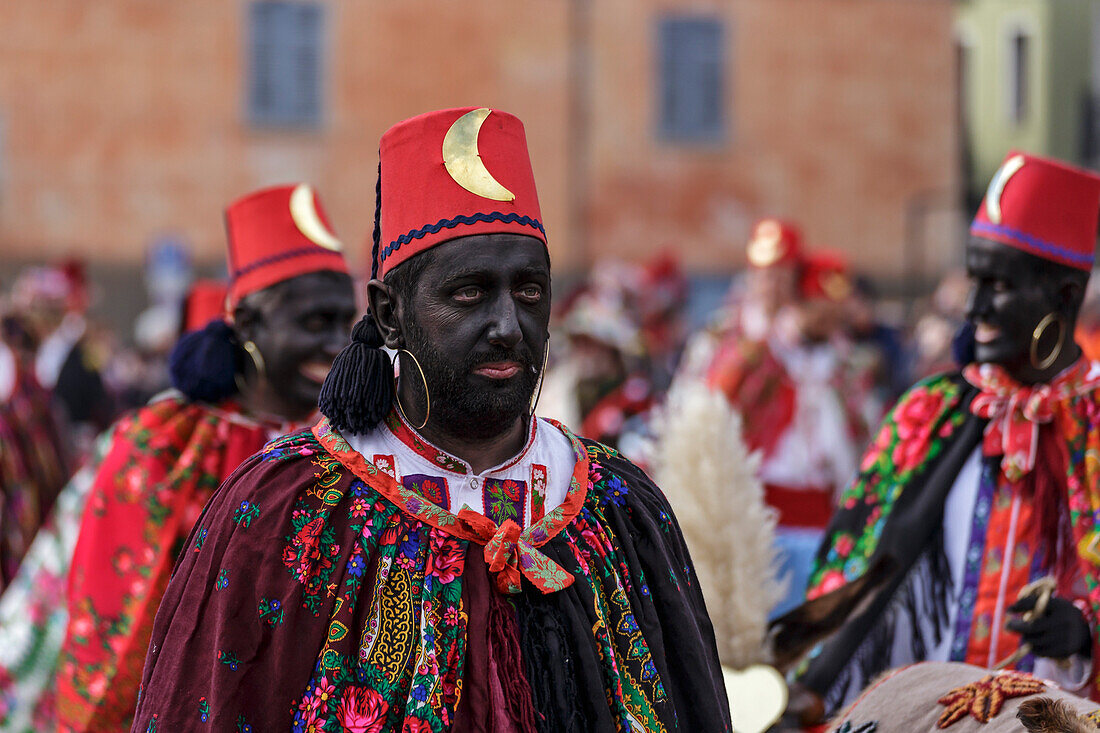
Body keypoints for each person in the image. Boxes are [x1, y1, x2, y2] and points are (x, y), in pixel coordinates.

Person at [130, 107, 730, 732]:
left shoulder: (617, 507)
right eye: (469, 293)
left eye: (529, 291)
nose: (508, 326)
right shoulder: (284, 507)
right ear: (390, 314)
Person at [787, 152, 1100, 722]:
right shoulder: (929, 413)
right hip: (924, 715)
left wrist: (1084, 631)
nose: (973, 307)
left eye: (999, 285)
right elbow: (855, 565)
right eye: (972, 280)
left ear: (1063, 297)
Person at [55, 184, 356, 733]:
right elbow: (113, 627)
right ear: (247, 326)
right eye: (315, 323)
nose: (338, 344)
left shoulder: (362, 448)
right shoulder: (165, 445)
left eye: (347, 323)